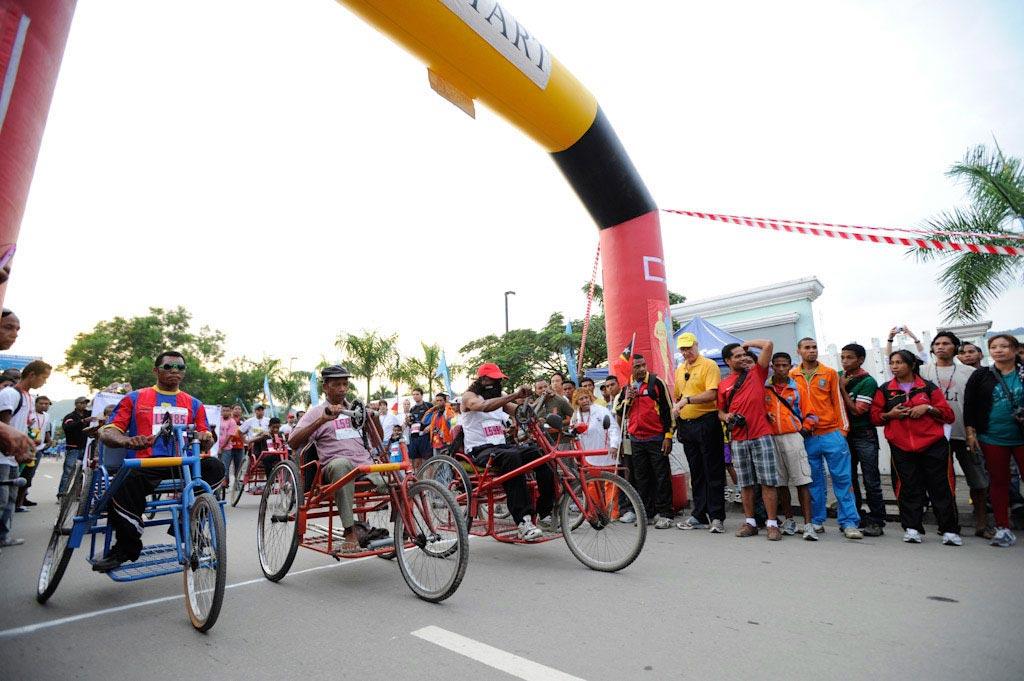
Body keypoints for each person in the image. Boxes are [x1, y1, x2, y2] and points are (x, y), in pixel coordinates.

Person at [94, 351, 223, 571]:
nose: (175, 371)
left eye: (180, 367)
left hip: (181, 465)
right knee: (123, 484)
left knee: (216, 468)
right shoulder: (135, 398)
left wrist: (206, 439)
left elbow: (206, 438)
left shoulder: (194, 403)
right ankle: (126, 547)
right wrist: (127, 441)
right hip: (145, 464)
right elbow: (108, 432)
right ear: (156, 370)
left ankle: (186, 523)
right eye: (169, 366)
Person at [288, 365, 387, 552]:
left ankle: (405, 530)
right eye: (337, 384)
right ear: (325, 387)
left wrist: (373, 419)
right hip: (333, 469)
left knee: (399, 473)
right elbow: (292, 441)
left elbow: (378, 441)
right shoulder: (316, 412)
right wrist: (321, 421)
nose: (342, 389)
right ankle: (349, 532)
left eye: (345, 384)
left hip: (365, 467)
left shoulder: (357, 411)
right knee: (342, 465)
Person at [871, 350, 959, 545]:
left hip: (933, 445)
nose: (894, 366)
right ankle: (911, 528)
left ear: (911, 365)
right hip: (901, 447)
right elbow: (875, 417)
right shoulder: (885, 390)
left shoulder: (927, 388)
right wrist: (890, 414)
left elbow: (948, 415)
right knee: (908, 487)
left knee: (941, 487)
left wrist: (927, 408)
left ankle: (949, 530)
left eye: (899, 362)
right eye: (892, 363)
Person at [461, 363, 553, 540]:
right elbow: (483, 406)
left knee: (537, 453)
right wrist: (514, 395)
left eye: (499, 380)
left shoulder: (500, 398)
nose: (497, 383)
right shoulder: (469, 396)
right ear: (483, 380)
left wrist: (541, 398)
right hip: (480, 450)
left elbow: (523, 412)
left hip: (501, 448)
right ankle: (523, 521)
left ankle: (545, 510)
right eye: (494, 379)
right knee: (512, 457)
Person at [790, 338, 863, 539]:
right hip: (807, 437)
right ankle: (816, 520)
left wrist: (843, 431)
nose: (811, 351)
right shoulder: (791, 375)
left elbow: (838, 401)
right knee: (813, 481)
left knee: (843, 479)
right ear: (799, 351)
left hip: (832, 433)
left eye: (814, 347)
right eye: (807, 348)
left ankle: (849, 522)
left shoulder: (829, 373)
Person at [922, 331, 990, 538]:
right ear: (932, 348)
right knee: (940, 481)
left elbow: (978, 404)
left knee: (977, 480)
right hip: (934, 435)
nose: (941, 347)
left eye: (946, 343)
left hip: (965, 432)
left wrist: (974, 430)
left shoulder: (970, 372)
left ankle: (981, 523)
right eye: (937, 344)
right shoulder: (923, 371)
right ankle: (949, 523)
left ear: (955, 348)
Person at [716, 341, 781, 540]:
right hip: (738, 438)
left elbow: (768, 345)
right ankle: (750, 522)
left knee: (768, 482)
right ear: (727, 361)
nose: (743, 358)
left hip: (762, 435)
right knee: (745, 484)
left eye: (744, 355)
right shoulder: (723, 384)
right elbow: (719, 411)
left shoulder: (757, 372)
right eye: (737, 356)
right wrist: (726, 417)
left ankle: (772, 524)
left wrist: (746, 345)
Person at [964, 334, 1024, 548]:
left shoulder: (1022, 373)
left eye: (1004, 346)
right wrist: (971, 433)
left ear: (1015, 350)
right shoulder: (981, 375)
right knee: (999, 482)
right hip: (992, 436)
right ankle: (1003, 528)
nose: (999, 350)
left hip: (1021, 436)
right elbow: (969, 405)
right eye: (994, 346)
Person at [672, 333, 726, 533]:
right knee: (696, 471)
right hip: (687, 425)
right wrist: (677, 411)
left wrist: (688, 401)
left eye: (689, 348)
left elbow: (712, 394)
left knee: (713, 470)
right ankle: (699, 514)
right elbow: (677, 395)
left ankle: (717, 516)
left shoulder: (709, 365)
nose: (687, 352)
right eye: (683, 349)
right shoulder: (679, 369)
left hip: (707, 422)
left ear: (696, 345)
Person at [615, 354, 675, 529]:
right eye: (637, 366)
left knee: (661, 476)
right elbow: (619, 411)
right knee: (641, 478)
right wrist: (629, 398)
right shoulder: (627, 386)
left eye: (643, 365)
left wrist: (668, 436)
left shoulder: (657, 382)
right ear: (631, 369)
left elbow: (667, 410)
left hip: (656, 438)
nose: (641, 369)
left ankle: (665, 514)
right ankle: (646, 513)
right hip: (636, 439)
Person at [764, 352, 816, 540]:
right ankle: (789, 520)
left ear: (790, 366)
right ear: (772, 366)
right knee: (780, 483)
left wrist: (802, 432)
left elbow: (811, 414)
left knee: (802, 481)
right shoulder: (765, 388)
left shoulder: (798, 388)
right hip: (771, 438)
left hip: (793, 437)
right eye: (777, 365)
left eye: (784, 365)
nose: (781, 369)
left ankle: (808, 524)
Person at [0, 360, 50, 547]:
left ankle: (3, 537)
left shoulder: (28, 397)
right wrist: (11, 448)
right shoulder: (9, 394)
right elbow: (4, 426)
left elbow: (24, 426)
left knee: (10, 499)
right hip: (3, 456)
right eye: (43, 377)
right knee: (1, 499)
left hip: (14, 458)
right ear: (31, 375)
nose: (44, 382)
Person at [839, 343, 885, 536]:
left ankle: (877, 520)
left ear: (860, 360)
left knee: (870, 479)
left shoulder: (868, 382)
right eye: (843, 357)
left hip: (864, 434)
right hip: (845, 434)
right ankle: (855, 516)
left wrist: (842, 389)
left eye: (849, 357)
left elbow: (858, 410)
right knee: (848, 478)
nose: (845, 361)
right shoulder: (840, 376)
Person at [16, 394, 51, 511]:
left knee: (29, 476)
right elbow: (24, 428)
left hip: (38, 449)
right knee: (21, 474)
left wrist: (49, 440)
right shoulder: (29, 415)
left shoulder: (47, 416)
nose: (44, 405)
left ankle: (22, 500)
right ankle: (16, 502)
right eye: (41, 403)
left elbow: (45, 430)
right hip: (25, 448)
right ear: (35, 404)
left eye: (46, 404)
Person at [59, 397, 100, 497]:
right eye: (81, 403)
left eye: (85, 403)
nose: (84, 405)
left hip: (87, 448)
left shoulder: (90, 414)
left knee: (83, 472)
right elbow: (68, 427)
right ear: (76, 404)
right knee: (68, 471)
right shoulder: (70, 416)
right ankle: (62, 493)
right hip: (73, 448)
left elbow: (99, 409)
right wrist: (83, 421)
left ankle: (77, 494)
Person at [570, 387, 619, 466]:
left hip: (606, 455)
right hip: (588, 457)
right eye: (581, 399)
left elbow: (613, 428)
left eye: (586, 397)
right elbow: (572, 434)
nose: (585, 400)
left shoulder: (601, 410)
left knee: (610, 478)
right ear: (577, 402)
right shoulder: (575, 416)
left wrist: (614, 445)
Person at [218, 407, 244, 489]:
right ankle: (225, 483)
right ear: (232, 410)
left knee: (238, 466)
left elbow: (244, 432)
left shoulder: (243, 421)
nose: (237, 410)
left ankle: (237, 484)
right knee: (225, 466)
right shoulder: (220, 419)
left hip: (239, 446)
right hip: (229, 447)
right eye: (235, 409)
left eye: (239, 409)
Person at [406, 388, 432, 468]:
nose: (415, 396)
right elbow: (411, 423)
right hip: (415, 437)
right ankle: (418, 480)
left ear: (422, 395)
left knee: (428, 461)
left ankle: (428, 480)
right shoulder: (412, 409)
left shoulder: (429, 406)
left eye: (417, 394)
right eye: (413, 394)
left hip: (425, 437)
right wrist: (408, 422)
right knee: (416, 462)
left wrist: (430, 426)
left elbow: (436, 418)